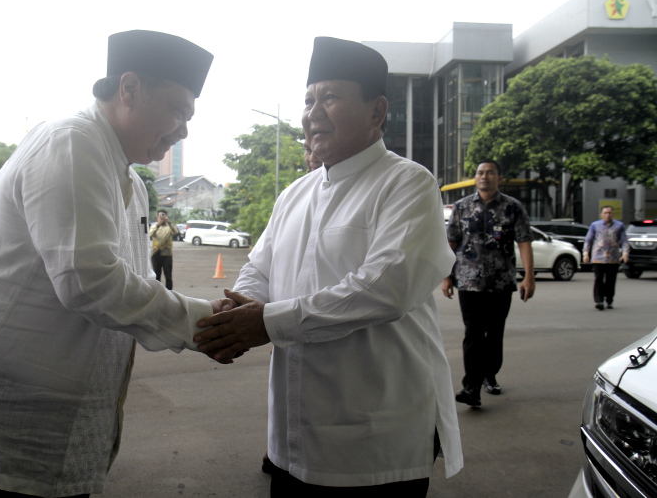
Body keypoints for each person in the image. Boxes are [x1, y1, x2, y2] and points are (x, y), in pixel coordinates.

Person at [0, 30, 229, 498]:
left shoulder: (132, 182)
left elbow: (136, 280)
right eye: (178, 110)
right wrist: (210, 324)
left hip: (43, 427)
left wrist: (212, 314)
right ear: (128, 89)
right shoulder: (72, 141)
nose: (184, 130)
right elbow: (90, 282)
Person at [195, 37, 463, 497]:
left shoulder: (407, 184)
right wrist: (235, 309)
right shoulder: (295, 194)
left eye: (330, 97)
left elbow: (386, 288)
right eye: (308, 99)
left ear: (376, 112)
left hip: (375, 443)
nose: (312, 112)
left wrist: (265, 322)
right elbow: (258, 269)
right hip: (294, 435)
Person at [443, 160, 535, 407]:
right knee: (473, 333)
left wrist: (529, 276)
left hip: (500, 283)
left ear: (499, 178)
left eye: (490, 173)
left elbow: (524, 241)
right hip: (468, 282)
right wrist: (445, 276)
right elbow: (451, 243)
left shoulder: (513, 208)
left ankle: (489, 373)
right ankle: (471, 386)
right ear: (475, 178)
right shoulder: (461, 207)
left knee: (493, 334)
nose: (484, 177)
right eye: (480, 173)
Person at [583, 206, 629, 310]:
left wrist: (625, 254)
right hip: (598, 257)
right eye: (605, 213)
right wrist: (586, 254)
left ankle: (609, 300)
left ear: (612, 214)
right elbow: (588, 240)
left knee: (611, 280)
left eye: (609, 213)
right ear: (601, 214)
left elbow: (624, 241)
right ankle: (599, 301)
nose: (607, 215)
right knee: (598, 279)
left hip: (613, 258)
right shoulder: (595, 225)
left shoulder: (619, 225)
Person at [149, 209, 179, 289]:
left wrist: (168, 222)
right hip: (156, 253)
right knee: (156, 276)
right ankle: (157, 293)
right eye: (160, 216)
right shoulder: (154, 227)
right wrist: (158, 225)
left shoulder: (169, 227)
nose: (162, 217)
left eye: (163, 215)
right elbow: (151, 234)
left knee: (168, 276)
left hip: (167, 254)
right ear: (157, 217)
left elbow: (175, 232)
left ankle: (170, 294)